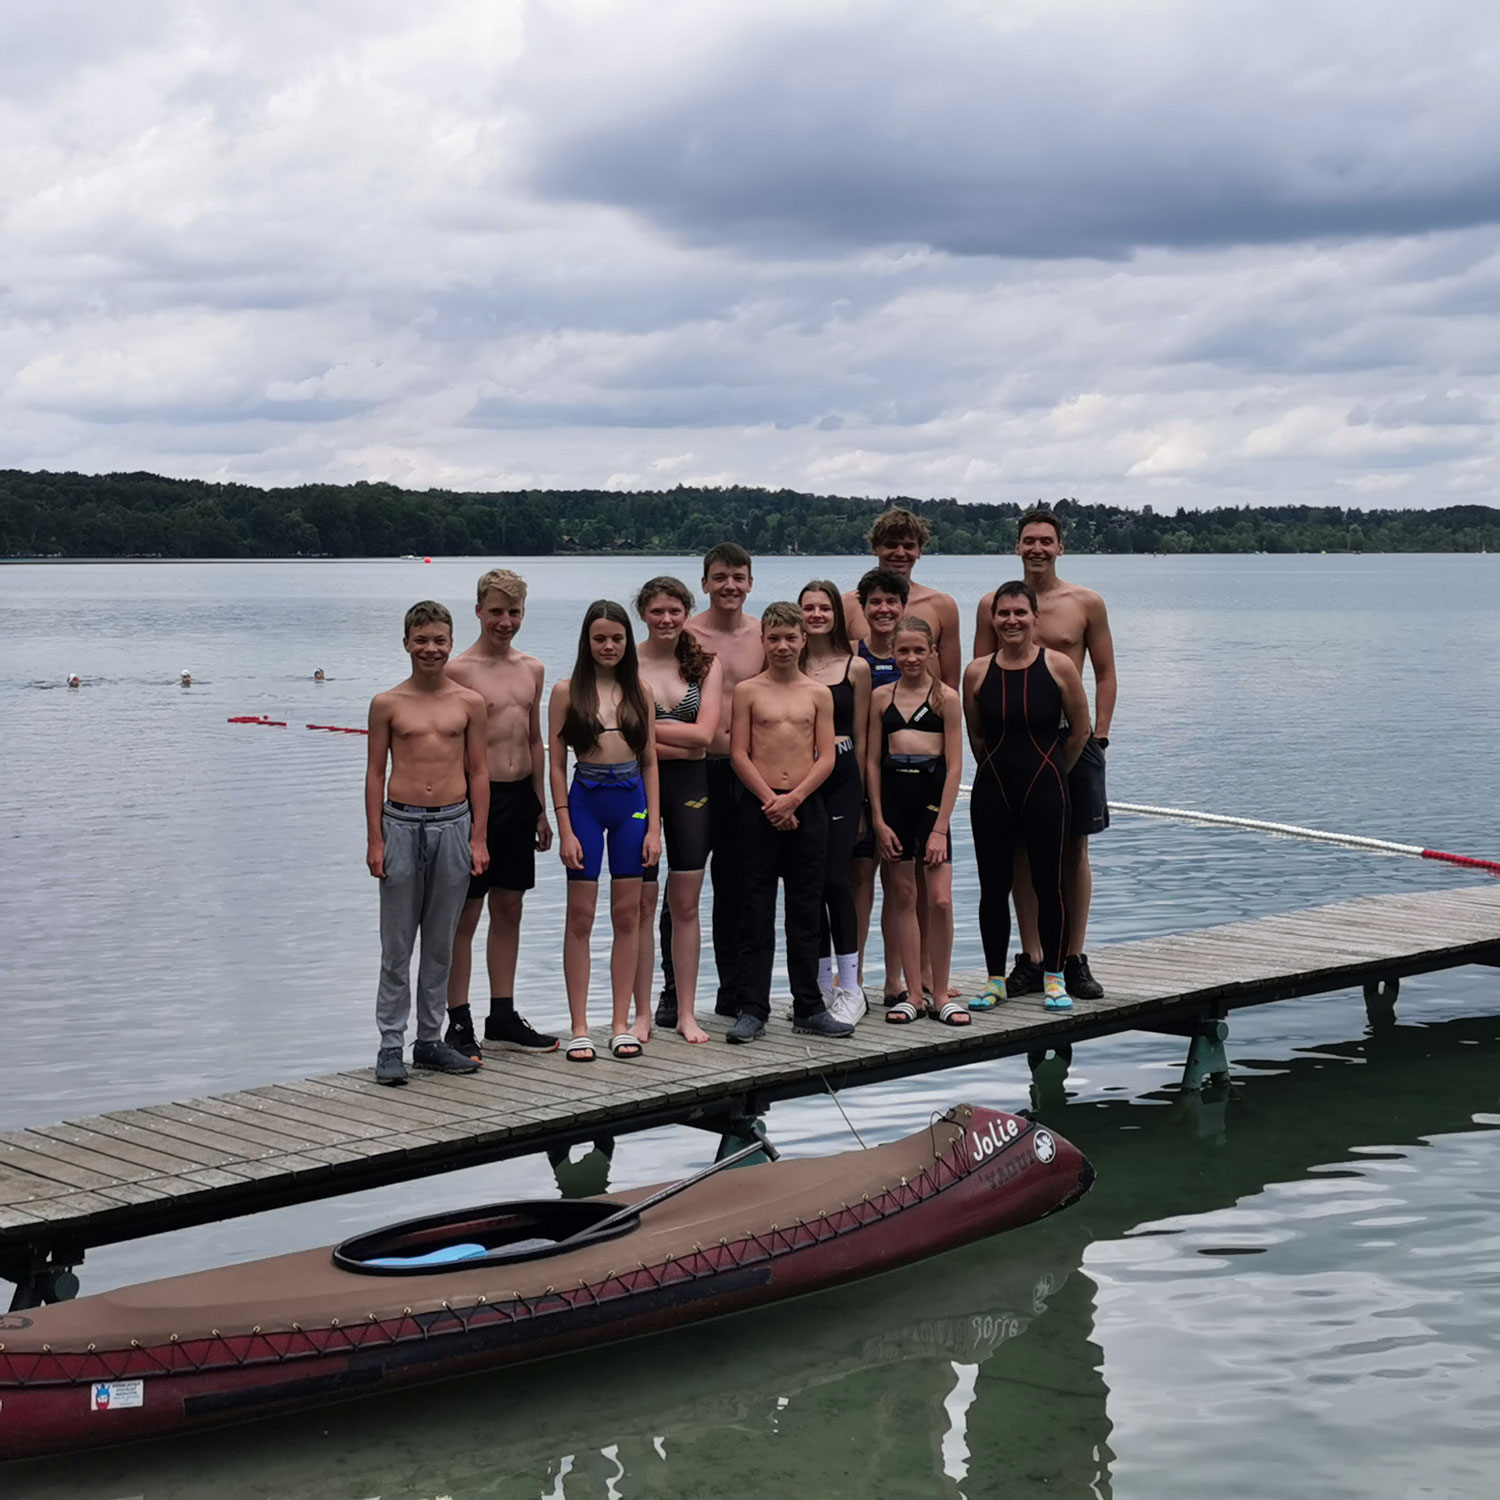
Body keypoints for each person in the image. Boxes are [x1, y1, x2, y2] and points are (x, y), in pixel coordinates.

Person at [974, 509, 1117, 1000]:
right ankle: (1032, 957)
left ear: (1060, 547)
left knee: (1073, 849)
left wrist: (1099, 734)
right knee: (1017, 855)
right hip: (1013, 745)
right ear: (1017, 546)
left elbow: (1105, 672)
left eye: (1046, 541)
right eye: (1028, 540)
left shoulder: (1086, 602)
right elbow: (979, 676)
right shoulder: (995, 603)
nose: (1037, 548)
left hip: (1070, 737)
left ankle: (1073, 958)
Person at [365, 601, 489, 1085]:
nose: (430, 649)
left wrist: (479, 837)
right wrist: (375, 838)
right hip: (400, 824)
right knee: (397, 946)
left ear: (451, 643)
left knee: (440, 944)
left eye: (439, 640)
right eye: (421, 641)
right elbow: (376, 772)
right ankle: (390, 1045)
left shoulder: (469, 703)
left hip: (454, 825)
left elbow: (479, 771)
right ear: (406, 644)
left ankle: (430, 1041)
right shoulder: (387, 703)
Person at [725, 602, 855, 1043]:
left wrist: (795, 798)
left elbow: (827, 754)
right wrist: (769, 800)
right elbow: (739, 752)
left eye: (790, 638)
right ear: (763, 640)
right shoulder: (748, 690)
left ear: (804, 640)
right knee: (755, 910)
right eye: (774, 638)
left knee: (805, 909)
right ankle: (752, 1008)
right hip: (758, 807)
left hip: (806, 806)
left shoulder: (818, 693)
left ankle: (809, 1006)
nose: (782, 646)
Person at [443, 568, 558, 1062]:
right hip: (473, 802)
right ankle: (458, 1019)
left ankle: (502, 1015)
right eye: (496, 612)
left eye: (513, 612)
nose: (504, 621)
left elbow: (534, 739)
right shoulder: (458, 669)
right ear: (478, 612)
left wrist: (542, 809)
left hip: (518, 798)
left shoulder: (532, 668)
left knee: (509, 908)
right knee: (465, 914)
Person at [963, 582, 1090, 1011]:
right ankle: (995, 978)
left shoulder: (1058, 667)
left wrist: (1055, 771)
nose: (1011, 621)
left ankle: (1054, 976)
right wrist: (1000, 772)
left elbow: (1079, 731)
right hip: (993, 788)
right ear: (993, 619)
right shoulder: (977, 672)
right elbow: (977, 736)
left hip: (1047, 786)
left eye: (1020, 612)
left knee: (1047, 883)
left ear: (1035, 618)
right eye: (1003, 614)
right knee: (992, 887)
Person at [548, 601, 661, 1062]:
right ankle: (579, 1026)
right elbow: (555, 766)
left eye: (616, 638)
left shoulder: (640, 691)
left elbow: (651, 761)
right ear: (586, 642)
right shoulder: (565, 692)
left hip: (631, 805)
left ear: (627, 642)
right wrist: (565, 827)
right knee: (580, 917)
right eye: (600, 639)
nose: (609, 646)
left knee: (628, 915)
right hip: (586, 803)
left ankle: (620, 1022)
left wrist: (654, 826)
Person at [632, 576, 723, 1045]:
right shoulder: (626, 664)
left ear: (687, 613)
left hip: (690, 787)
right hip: (635, 791)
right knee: (642, 905)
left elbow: (705, 738)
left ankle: (687, 1012)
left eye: (674, 611)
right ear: (643, 614)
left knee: (685, 904)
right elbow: (621, 737)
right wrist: (677, 742)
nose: (666, 620)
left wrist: (648, 735)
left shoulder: (706, 664)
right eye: (657, 612)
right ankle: (643, 1012)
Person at [678, 543, 764, 1020]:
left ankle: (735, 992)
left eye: (738, 577)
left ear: (750, 582)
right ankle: (674, 995)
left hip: (746, 770)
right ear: (704, 582)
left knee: (738, 885)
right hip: (694, 767)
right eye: (720, 577)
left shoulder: (765, 633)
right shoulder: (686, 635)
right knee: (684, 885)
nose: (729, 585)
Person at [867, 616, 966, 1027]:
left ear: (931, 652)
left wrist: (941, 827)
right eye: (902, 651)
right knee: (903, 896)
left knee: (939, 899)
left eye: (918, 650)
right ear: (893, 654)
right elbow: (871, 762)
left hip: (930, 805)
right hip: (893, 804)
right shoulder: (881, 698)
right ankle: (912, 994)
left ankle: (940, 991)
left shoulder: (946, 698)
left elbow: (956, 766)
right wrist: (877, 819)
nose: (910, 658)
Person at [799, 579, 870, 1023]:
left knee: (837, 881)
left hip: (843, 778)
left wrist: (864, 802)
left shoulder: (855, 667)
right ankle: (822, 984)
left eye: (824, 608)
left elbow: (861, 738)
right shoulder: (790, 660)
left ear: (836, 615)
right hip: (804, 778)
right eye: (808, 608)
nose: (817, 615)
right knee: (809, 883)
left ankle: (852, 984)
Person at [843, 507, 962, 688]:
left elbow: (951, 683)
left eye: (909, 546)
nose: (900, 553)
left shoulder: (942, 606)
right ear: (875, 548)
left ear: (919, 551)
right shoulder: (848, 605)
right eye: (891, 545)